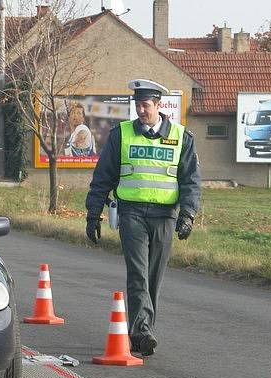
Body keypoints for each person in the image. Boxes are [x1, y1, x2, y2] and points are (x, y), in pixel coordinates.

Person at [85, 79, 201, 357]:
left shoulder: (181, 136)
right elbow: (103, 177)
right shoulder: (121, 134)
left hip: (164, 216)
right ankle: (143, 331)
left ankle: (140, 331)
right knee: (138, 273)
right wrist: (93, 214)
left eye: (145, 105)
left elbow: (191, 181)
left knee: (153, 276)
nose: (140, 110)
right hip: (131, 214)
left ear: (159, 106)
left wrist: (188, 214)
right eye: (137, 104)